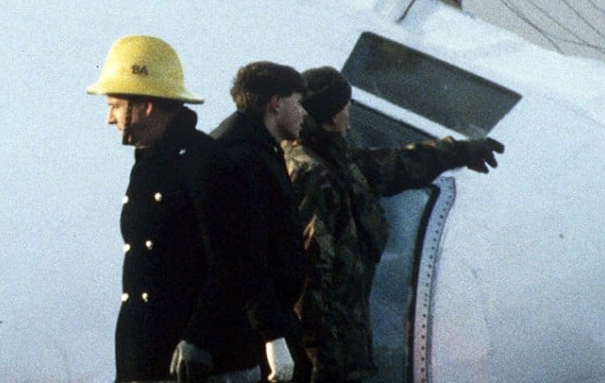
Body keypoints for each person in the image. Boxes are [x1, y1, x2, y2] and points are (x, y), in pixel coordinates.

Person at [281, 66, 503, 381]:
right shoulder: (312, 175)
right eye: (346, 110)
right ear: (332, 118)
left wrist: (458, 152)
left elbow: (392, 166)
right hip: (327, 353)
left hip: (344, 344)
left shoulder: (335, 163)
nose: (350, 118)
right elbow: (310, 279)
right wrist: (321, 359)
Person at [87, 35, 262, 383]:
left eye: (115, 106)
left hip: (198, 366)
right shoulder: (152, 163)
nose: (110, 119)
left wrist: (198, 339)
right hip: (151, 361)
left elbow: (234, 262)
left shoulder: (207, 164)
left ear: (146, 105)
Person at [210, 61, 307, 383]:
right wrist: (273, 336)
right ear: (276, 103)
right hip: (248, 334)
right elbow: (246, 253)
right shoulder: (243, 157)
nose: (304, 113)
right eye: (299, 102)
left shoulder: (254, 149)